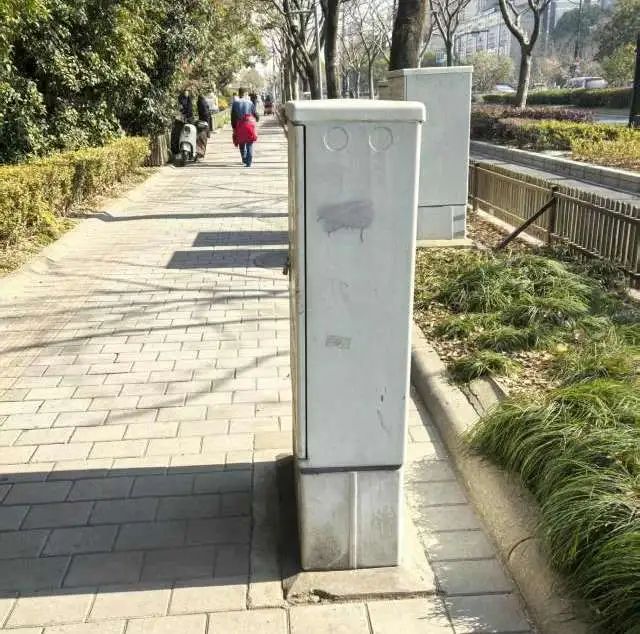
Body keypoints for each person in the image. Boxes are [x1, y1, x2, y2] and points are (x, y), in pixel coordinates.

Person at [231, 87, 259, 168]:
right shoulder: (250, 103)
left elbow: (233, 116)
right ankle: (249, 162)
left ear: (239, 94)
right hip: (249, 124)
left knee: (241, 142)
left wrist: (234, 127)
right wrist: (257, 118)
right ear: (245, 94)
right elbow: (255, 113)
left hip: (240, 125)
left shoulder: (235, 103)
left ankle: (244, 158)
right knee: (249, 143)